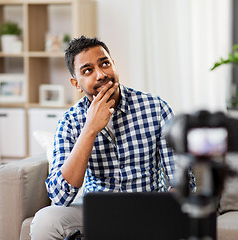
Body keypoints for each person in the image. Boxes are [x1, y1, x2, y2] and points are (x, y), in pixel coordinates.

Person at [30, 36, 196, 240]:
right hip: (97, 209)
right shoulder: (71, 121)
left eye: (105, 64)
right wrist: (90, 129)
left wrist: (162, 213)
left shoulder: (156, 107)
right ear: (76, 83)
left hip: (148, 207)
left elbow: (182, 180)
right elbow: (60, 196)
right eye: (88, 70)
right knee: (45, 221)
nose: (101, 74)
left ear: (114, 65)